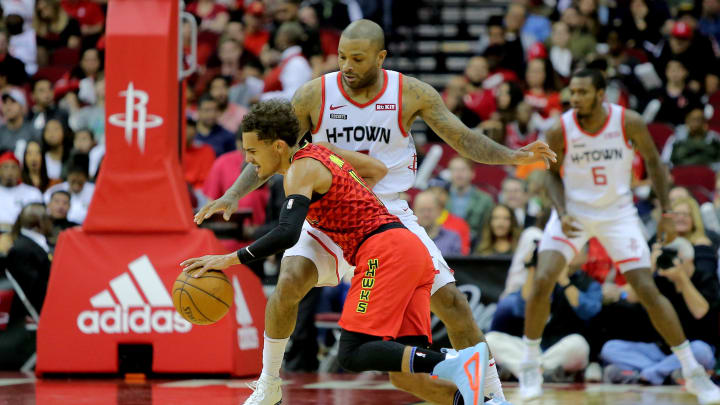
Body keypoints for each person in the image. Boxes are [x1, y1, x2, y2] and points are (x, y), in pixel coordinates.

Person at [195, 19, 554, 405]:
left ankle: (490, 396)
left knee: (449, 307)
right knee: (289, 279)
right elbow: (269, 149)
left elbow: (462, 138)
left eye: (358, 58)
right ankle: (269, 384)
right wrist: (233, 194)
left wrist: (511, 156)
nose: (347, 65)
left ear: (381, 57)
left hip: (386, 214)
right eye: (342, 56)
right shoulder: (315, 94)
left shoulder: (411, 92)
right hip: (328, 210)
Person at [181, 100, 491, 405]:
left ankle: (457, 362)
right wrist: (348, 202)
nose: (247, 160)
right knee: (405, 375)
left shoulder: (299, 172)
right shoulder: (322, 151)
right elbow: (375, 169)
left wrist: (229, 259)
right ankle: (482, 402)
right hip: (408, 248)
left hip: (385, 252)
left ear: (277, 146)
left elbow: (287, 233)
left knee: (353, 351)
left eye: (252, 151)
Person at [518, 68, 720, 404]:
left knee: (647, 289)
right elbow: (550, 176)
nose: (575, 98)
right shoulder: (560, 128)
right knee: (542, 279)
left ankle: (694, 373)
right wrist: (563, 210)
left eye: (582, 92)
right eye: (572, 92)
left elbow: (655, 164)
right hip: (575, 212)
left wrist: (667, 212)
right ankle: (528, 365)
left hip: (618, 213)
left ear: (601, 94)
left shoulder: (630, 122)